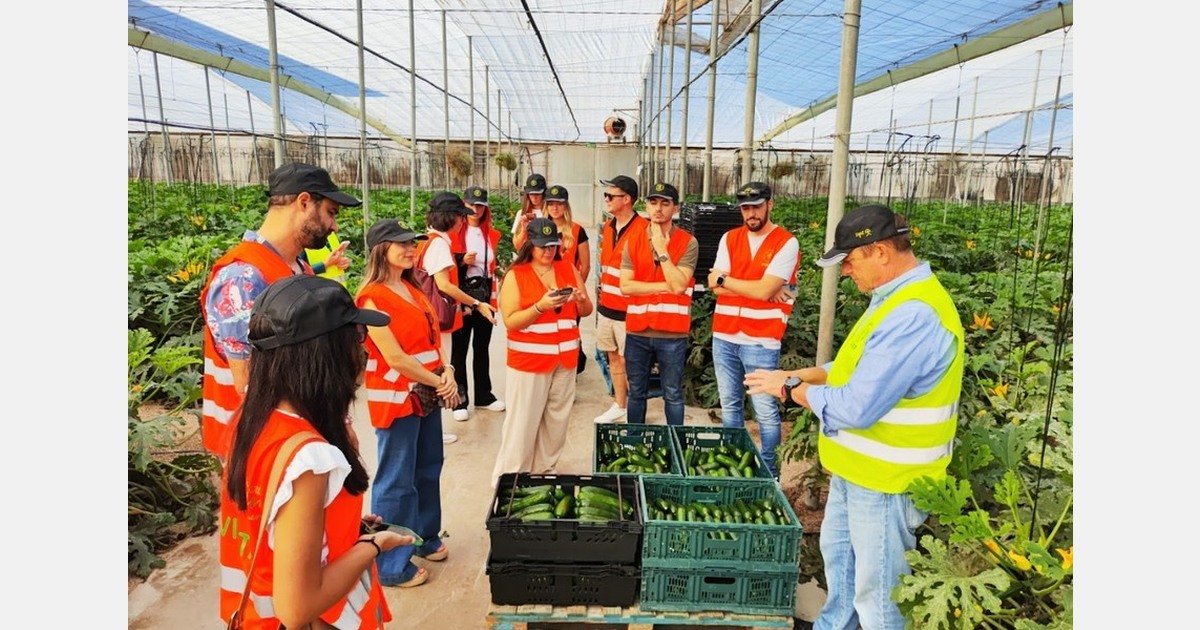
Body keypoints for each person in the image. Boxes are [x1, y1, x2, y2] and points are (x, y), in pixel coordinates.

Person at [744, 204, 964, 630]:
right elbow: (848, 371)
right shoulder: (893, 300)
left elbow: (855, 406)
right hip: (856, 473)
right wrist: (794, 375)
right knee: (843, 580)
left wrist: (791, 391)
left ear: (880, 251)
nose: (845, 272)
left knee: (877, 598)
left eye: (849, 260)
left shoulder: (914, 314)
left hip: (886, 483)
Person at [219, 274, 408, 629]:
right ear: (327, 355)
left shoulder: (249, 420)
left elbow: (272, 520)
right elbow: (297, 608)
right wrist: (374, 546)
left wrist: (345, 528)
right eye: (356, 337)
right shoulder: (309, 459)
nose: (364, 350)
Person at [201, 162, 359, 459]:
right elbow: (249, 382)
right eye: (331, 213)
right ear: (303, 202)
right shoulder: (243, 277)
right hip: (262, 445)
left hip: (300, 435)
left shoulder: (295, 267)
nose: (334, 226)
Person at [355, 219, 456, 589]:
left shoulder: (412, 289)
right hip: (399, 398)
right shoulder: (371, 297)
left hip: (425, 394)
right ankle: (391, 563)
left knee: (428, 467)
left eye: (412, 244)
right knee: (397, 478)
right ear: (381, 250)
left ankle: (424, 536)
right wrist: (440, 382)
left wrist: (447, 370)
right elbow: (395, 358)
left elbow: (430, 340)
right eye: (401, 244)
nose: (411, 249)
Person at [704, 181, 799, 478]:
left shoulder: (786, 242)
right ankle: (734, 468)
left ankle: (770, 475)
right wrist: (755, 288)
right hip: (724, 336)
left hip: (761, 341)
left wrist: (725, 280)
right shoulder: (730, 238)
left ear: (770, 204)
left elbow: (759, 290)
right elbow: (714, 287)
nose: (751, 213)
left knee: (766, 412)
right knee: (730, 408)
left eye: (756, 206)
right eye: (745, 208)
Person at [490, 218, 592, 484]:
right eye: (541, 246)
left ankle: (544, 472)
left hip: (565, 359)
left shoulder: (567, 267)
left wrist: (580, 301)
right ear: (529, 245)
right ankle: (511, 479)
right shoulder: (517, 274)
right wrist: (540, 306)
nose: (548, 251)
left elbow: (586, 309)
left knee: (556, 422)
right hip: (530, 362)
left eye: (552, 245)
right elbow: (511, 320)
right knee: (522, 423)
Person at [416, 191, 497, 436]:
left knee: (434, 368)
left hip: (427, 314)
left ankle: (434, 430)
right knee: (441, 368)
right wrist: (475, 303)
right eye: (461, 216)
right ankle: (434, 429)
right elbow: (444, 285)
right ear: (450, 217)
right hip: (438, 316)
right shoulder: (439, 244)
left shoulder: (426, 240)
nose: (464, 221)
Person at [618, 182, 698, 426]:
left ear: (675, 208)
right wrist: (666, 285)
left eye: (665, 203)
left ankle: (675, 445)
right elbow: (626, 286)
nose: (658, 208)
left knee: (672, 394)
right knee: (636, 393)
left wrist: (663, 252)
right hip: (638, 331)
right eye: (653, 202)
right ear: (646, 205)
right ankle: (635, 441)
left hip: (672, 334)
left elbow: (680, 284)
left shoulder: (688, 243)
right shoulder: (633, 241)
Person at [593, 174, 648, 424]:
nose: (606, 199)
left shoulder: (644, 230)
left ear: (627, 199)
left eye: (610, 196)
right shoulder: (608, 226)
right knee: (613, 357)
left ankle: (635, 411)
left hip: (630, 311)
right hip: (607, 309)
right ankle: (620, 405)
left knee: (631, 363)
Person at [519, 184, 591, 373]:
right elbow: (521, 252)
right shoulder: (538, 228)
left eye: (559, 204)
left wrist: (576, 290)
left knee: (569, 333)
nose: (555, 208)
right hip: (540, 291)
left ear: (566, 206)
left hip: (568, 295)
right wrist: (523, 228)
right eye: (550, 203)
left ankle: (570, 368)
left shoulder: (577, 231)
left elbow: (585, 265)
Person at [450, 186, 506, 421]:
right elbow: (444, 268)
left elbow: (491, 266)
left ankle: (484, 395)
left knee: (482, 347)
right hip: (461, 298)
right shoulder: (453, 233)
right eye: (472, 205)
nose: (476, 209)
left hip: (484, 296)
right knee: (459, 350)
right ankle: (459, 401)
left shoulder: (490, 234)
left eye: (480, 205)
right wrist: (461, 260)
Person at [510, 172, 547, 237]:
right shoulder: (521, 213)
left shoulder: (550, 213)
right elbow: (516, 240)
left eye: (538, 194)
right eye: (531, 194)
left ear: (544, 193)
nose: (534, 197)